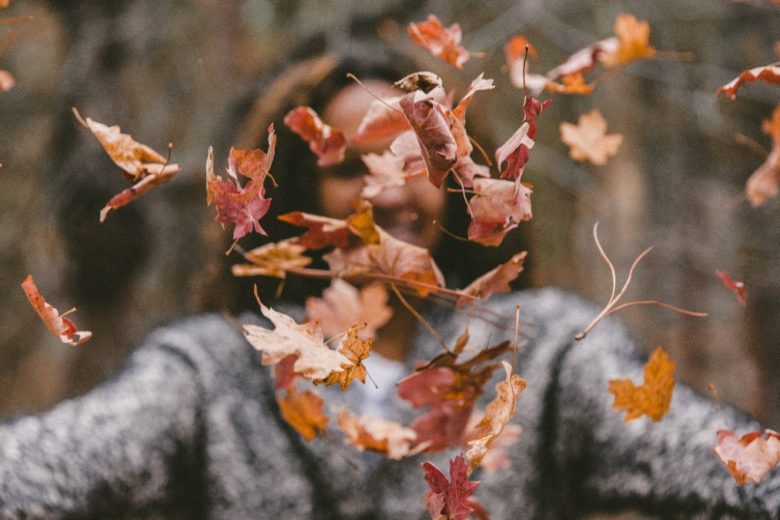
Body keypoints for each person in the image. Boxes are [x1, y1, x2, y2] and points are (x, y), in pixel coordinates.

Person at [1, 41, 779, 520]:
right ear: (302, 197)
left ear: (455, 183)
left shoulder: (540, 351)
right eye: (349, 169)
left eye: (415, 162)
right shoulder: (216, 369)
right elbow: (57, 459)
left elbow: (714, 460)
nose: (388, 191)